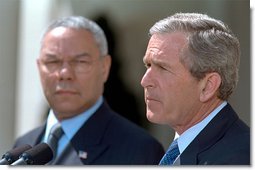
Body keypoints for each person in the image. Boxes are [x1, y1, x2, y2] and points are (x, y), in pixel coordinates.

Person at [13, 16, 165, 165]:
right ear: (39, 67)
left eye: (80, 62)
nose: (65, 74)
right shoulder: (23, 146)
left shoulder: (140, 151)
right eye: (53, 61)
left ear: (105, 67)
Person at [141, 12, 250, 165]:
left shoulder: (237, 159)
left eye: (163, 68)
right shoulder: (184, 147)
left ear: (208, 86)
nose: (145, 81)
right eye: (149, 65)